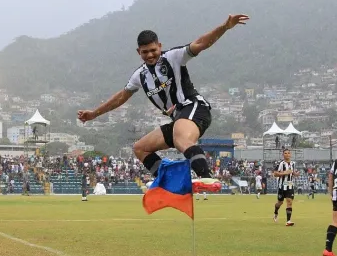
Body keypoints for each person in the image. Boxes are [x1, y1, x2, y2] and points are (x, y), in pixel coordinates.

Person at [78, 14, 249, 192]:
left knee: (180, 136)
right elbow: (121, 97)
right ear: (139, 52)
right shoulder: (140, 75)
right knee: (140, 148)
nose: (150, 55)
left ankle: (206, 177)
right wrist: (93, 114)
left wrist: (225, 27)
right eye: (145, 52)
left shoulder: (173, 57)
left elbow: (201, 43)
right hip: (178, 120)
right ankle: (170, 182)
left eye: (153, 50)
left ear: (160, 46)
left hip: (195, 107)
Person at [273, 149, 300, 226]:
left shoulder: (293, 163)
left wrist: (296, 174)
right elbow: (275, 174)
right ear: (283, 155)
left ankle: (288, 221)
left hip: (290, 185)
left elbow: (292, 172)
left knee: (289, 202)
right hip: (282, 186)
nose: (287, 154)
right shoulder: (280, 164)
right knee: (280, 202)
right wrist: (285, 173)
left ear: (290, 154)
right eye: (285, 153)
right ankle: (275, 212)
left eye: (288, 153)